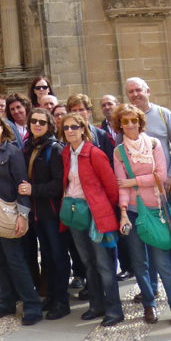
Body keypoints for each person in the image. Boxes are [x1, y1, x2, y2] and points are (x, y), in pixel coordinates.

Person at [112, 103, 171, 326]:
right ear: (120, 125)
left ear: (140, 122)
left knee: (163, 262)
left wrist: (134, 181)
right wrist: (123, 212)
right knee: (140, 263)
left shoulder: (153, 144)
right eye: (126, 121)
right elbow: (120, 185)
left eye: (134, 120)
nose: (131, 124)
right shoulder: (118, 152)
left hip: (155, 209)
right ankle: (149, 305)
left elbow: (161, 175)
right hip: (133, 212)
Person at [0, 110, 42, 325]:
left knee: (15, 259)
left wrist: (23, 215)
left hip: (9, 213)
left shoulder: (12, 152)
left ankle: (32, 304)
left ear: (3, 128)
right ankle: (7, 300)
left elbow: (22, 185)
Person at [125, 76, 171, 302]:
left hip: (165, 188)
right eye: (131, 92)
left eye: (138, 90)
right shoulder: (126, 120)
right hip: (140, 194)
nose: (135, 95)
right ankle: (151, 288)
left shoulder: (164, 115)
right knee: (147, 236)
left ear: (148, 90)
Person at [60, 112, 123, 325]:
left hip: (97, 214)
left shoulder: (94, 153)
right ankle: (96, 305)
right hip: (76, 214)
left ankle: (114, 309)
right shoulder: (66, 153)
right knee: (88, 262)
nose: (70, 131)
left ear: (83, 129)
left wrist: (106, 211)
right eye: (66, 127)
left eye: (74, 127)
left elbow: (111, 187)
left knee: (104, 264)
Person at [19, 109, 70, 319]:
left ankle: (62, 301)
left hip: (51, 212)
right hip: (36, 213)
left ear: (49, 125)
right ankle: (51, 295)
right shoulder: (28, 147)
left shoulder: (54, 149)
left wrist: (34, 190)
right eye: (33, 121)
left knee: (58, 257)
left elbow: (58, 184)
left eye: (41, 122)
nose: (37, 125)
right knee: (47, 257)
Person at [66, 94, 114, 166]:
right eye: (74, 110)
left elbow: (111, 162)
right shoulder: (66, 135)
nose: (78, 113)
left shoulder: (101, 135)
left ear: (88, 113)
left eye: (81, 110)